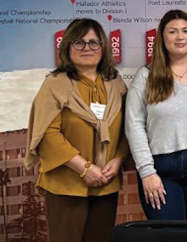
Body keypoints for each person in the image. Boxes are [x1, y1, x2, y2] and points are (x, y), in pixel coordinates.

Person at [25, 18, 129, 242]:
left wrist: (119, 159)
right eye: (79, 43)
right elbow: (47, 134)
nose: (87, 48)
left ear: (103, 47)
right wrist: (84, 169)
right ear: (67, 47)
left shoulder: (116, 85)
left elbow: (128, 130)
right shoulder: (54, 85)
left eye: (94, 42)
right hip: (66, 185)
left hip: (106, 184)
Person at [126, 10, 187, 221]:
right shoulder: (146, 76)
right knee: (170, 235)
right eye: (173, 31)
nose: (180, 37)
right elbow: (134, 125)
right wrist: (147, 172)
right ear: (162, 37)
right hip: (160, 171)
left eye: (186, 31)